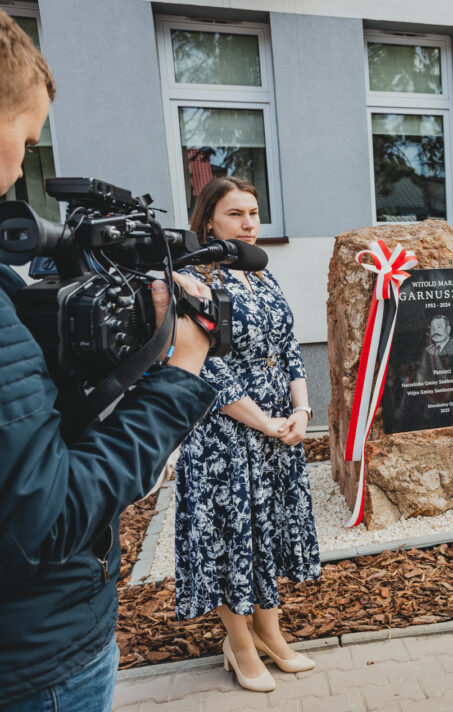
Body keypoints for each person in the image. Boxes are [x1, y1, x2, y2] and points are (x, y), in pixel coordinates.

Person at [0, 10, 216, 710]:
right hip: (39, 664)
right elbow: (49, 517)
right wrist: (178, 373)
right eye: (26, 138)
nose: (17, 171)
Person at [175, 176, 321, 692]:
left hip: (279, 429)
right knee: (230, 538)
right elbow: (207, 368)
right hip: (225, 435)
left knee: (268, 534)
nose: (249, 224)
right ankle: (238, 645)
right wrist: (264, 421)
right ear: (208, 219)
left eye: (254, 213)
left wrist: (302, 412)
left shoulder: (261, 274)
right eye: (236, 214)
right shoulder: (193, 278)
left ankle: (271, 635)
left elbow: (290, 351)